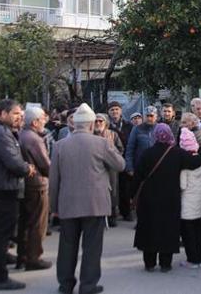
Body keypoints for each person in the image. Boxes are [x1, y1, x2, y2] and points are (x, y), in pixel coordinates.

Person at [50, 104, 125, 294]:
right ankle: (88, 285)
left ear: (74, 124)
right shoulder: (101, 143)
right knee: (92, 247)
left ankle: (65, 285)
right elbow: (120, 164)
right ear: (92, 124)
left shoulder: (59, 146)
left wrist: (54, 206)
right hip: (95, 204)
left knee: (67, 246)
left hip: (67, 204)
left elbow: (54, 180)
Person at [132, 123, 201, 273]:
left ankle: (149, 263)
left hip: (148, 199)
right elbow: (194, 162)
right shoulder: (176, 153)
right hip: (170, 199)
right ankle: (165, 264)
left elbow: (137, 177)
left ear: (155, 136)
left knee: (150, 230)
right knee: (167, 230)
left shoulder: (147, 153)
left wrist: (131, 195)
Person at [0, 99, 35, 290]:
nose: (19, 117)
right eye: (15, 113)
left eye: (21, 114)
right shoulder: (1, 134)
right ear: (2, 114)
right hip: (1, 192)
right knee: (0, 238)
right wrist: (27, 168)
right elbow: (14, 163)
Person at [17, 107, 52, 271]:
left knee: (26, 221)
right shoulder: (34, 138)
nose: (45, 121)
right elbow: (45, 164)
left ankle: (23, 255)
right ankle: (34, 257)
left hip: (27, 184)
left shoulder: (22, 135)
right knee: (38, 223)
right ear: (35, 121)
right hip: (37, 184)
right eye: (42, 118)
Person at [179, 113, 201, 245]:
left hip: (196, 180)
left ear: (192, 123)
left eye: (184, 122)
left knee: (198, 210)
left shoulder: (194, 136)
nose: (181, 125)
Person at [178, 128, 201, 269]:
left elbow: (182, 185)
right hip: (198, 202)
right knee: (197, 232)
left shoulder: (184, 164)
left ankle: (192, 260)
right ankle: (200, 258)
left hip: (186, 204)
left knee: (188, 234)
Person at [93, 114, 124, 228]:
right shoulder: (90, 135)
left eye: (100, 121)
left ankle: (112, 215)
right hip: (96, 167)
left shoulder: (113, 134)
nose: (98, 123)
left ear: (105, 123)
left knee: (113, 191)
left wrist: (112, 153)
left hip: (110, 168)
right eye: (96, 121)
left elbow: (120, 149)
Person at [125, 107, 157, 176]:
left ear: (156, 117)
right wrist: (129, 168)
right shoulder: (136, 129)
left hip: (157, 167)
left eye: (151, 116)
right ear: (143, 117)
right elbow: (130, 149)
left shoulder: (160, 128)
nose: (149, 118)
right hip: (140, 167)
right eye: (147, 116)